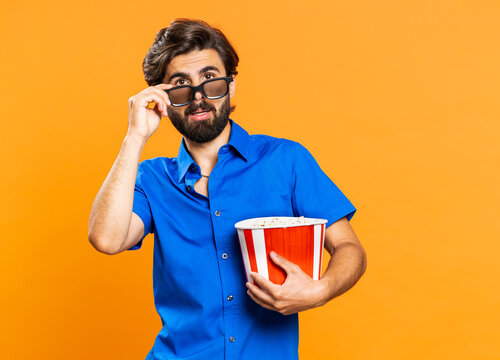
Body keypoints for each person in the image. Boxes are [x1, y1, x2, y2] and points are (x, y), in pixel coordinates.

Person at [88, 18, 367, 360]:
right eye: (180, 84)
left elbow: (349, 247)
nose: (199, 97)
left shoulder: (286, 160)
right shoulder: (151, 178)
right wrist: (135, 137)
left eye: (210, 79)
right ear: (162, 98)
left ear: (231, 85)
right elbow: (106, 239)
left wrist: (320, 290)